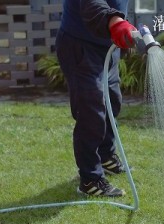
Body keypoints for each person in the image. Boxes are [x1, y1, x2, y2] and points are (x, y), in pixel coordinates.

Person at [55, 0, 136, 197]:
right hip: (80, 46)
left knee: (112, 103)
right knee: (91, 114)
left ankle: (106, 157)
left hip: (107, 46)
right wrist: (115, 22)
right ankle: (90, 180)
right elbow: (92, 3)